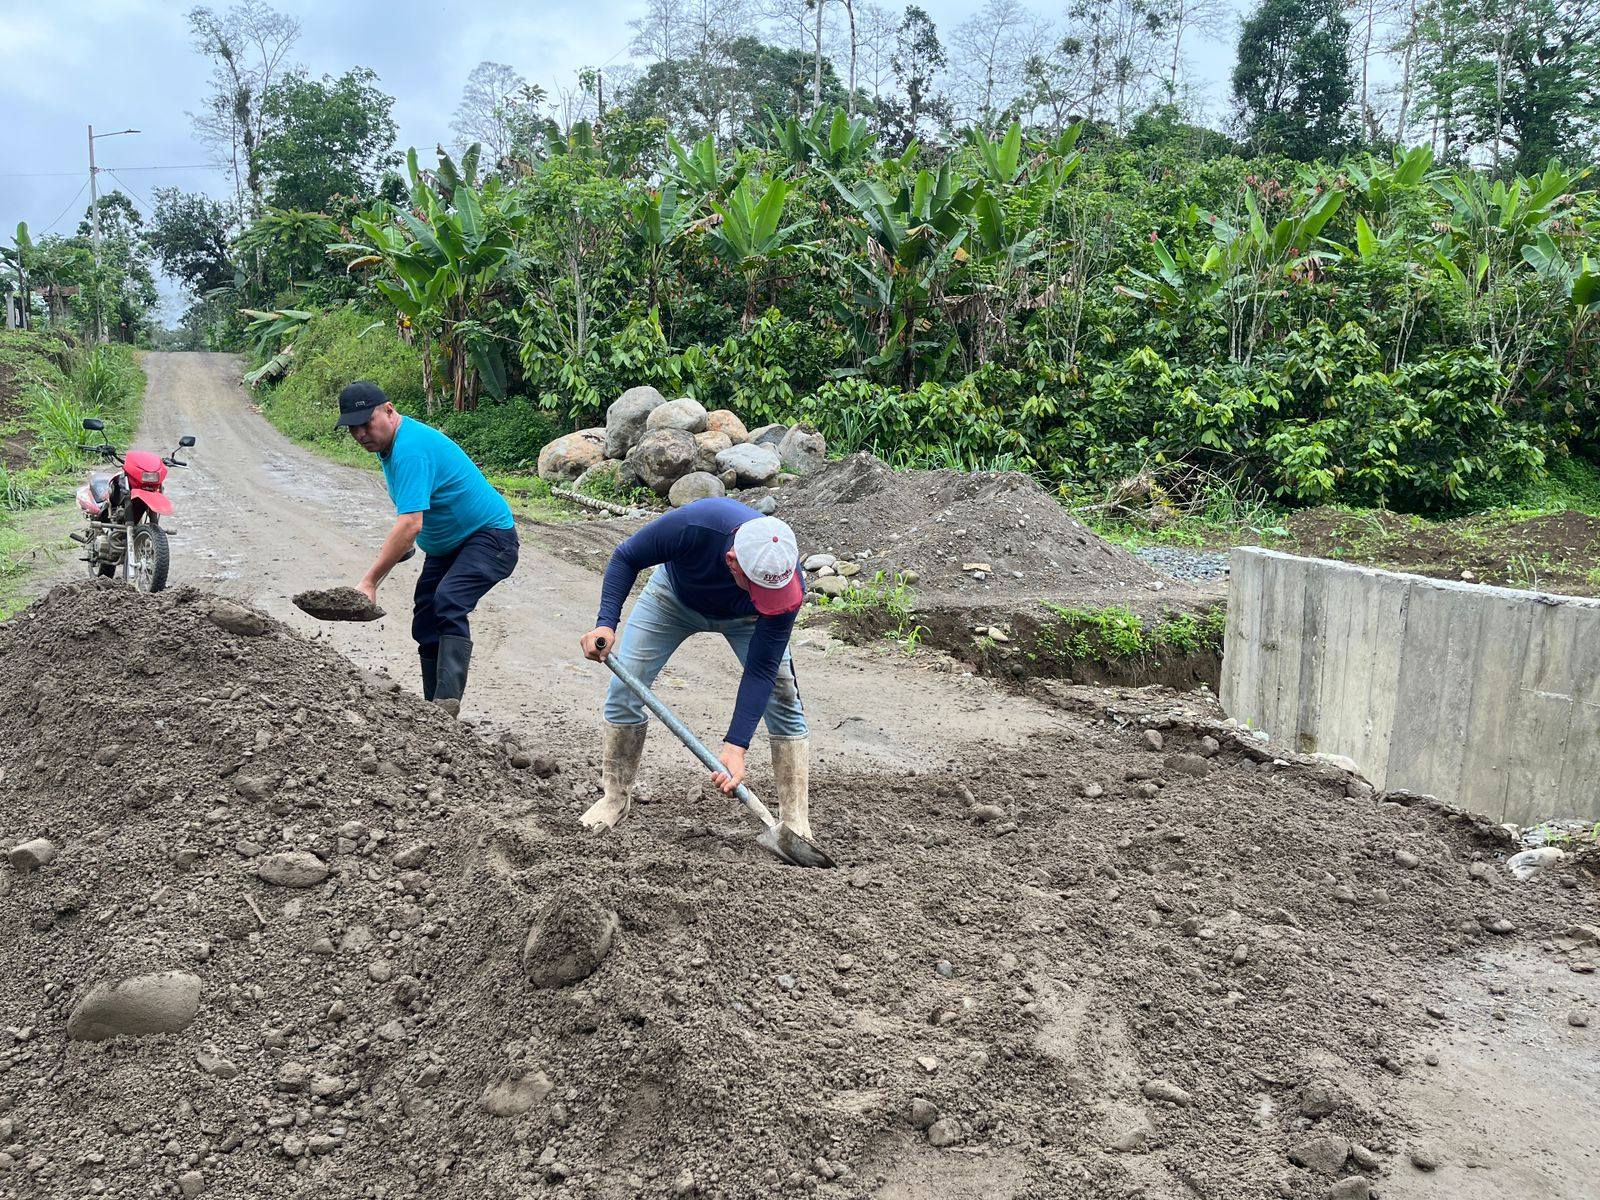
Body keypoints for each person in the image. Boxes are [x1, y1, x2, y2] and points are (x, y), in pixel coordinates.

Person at [579, 497, 811, 837]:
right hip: (674, 598)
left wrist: (735, 746)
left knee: (783, 700)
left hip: (748, 619)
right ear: (733, 561)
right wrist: (605, 625)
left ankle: (795, 821)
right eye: (759, 587)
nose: (768, 592)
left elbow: (761, 671)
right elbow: (626, 556)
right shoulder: (696, 524)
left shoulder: (785, 583)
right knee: (624, 690)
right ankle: (614, 799)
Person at [336, 381, 518, 715]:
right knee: (425, 617)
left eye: (366, 423)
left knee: (448, 601)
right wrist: (402, 546)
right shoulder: (391, 446)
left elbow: (410, 523)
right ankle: (431, 711)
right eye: (352, 428)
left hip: (491, 539)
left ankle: (445, 709)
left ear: (389, 410)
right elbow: (413, 517)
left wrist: (370, 582)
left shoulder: (410, 449)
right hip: (450, 546)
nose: (360, 434)